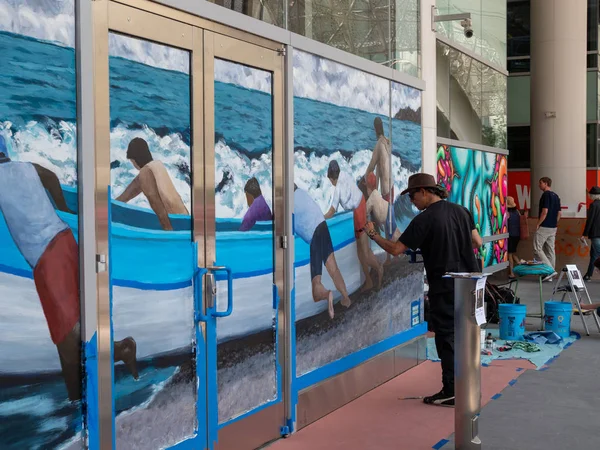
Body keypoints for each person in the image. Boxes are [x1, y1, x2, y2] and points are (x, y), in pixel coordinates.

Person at [0, 136, 138, 402]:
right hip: (64, 240)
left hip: (46, 258)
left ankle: (121, 350)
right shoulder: (27, 167)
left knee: (68, 334)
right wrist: (61, 207)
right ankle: (75, 399)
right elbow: (50, 176)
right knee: (64, 340)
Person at [364, 173, 482, 407]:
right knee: (465, 337)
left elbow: (396, 249)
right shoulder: (461, 211)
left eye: (413, 196)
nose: (412, 203)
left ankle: (451, 390)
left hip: (445, 287)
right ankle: (468, 386)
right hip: (470, 285)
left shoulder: (424, 220)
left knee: (447, 338)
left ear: (425, 192)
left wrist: (373, 234)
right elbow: (477, 242)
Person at [324, 160, 383, 292]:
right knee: (360, 252)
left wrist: (321, 217)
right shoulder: (344, 174)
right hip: (360, 204)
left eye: (330, 180)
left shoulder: (338, 189)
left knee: (364, 252)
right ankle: (368, 281)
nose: (331, 183)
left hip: (358, 211)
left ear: (332, 177)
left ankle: (379, 267)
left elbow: (331, 212)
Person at [294, 184, 351, 319]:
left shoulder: (288, 203)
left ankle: (327, 295)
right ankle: (346, 298)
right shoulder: (302, 193)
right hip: (322, 226)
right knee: (333, 269)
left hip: (314, 234)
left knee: (316, 288)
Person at [116, 137, 189, 231]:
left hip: (175, 224)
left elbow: (157, 205)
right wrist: (112, 205)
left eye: (131, 161)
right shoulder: (156, 165)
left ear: (134, 159)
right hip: (184, 219)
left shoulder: (145, 173)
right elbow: (127, 194)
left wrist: (168, 231)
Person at [365, 172, 401, 265]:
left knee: (392, 237)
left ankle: (402, 252)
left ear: (367, 186)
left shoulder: (372, 196)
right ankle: (390, 257)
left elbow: (365, 211)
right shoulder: (376, 194)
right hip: (388, 209)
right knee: (392, 235)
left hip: (387, 214)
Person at [534, 177, 561, 281]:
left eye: (540, 183)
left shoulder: (546, 195)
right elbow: (559, 213)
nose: (539, 185)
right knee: (550, 250)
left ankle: (549, 271)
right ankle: (549, 275)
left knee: (537, 248)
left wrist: (538, 223)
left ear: (546, 183)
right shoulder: (556, 196)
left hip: (544, 226)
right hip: (553, 227)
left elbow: (544, 211)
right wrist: (555, 223)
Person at [364, 117, 393, 202]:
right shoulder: (387, 142)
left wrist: (365, 181)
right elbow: (380, 166)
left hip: (386, 191)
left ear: (375, 129)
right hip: (391, 187)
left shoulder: (379, 144)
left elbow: (370, 168)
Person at [582, 186, 600, 281]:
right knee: (594, 254)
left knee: (597, 254)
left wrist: (585, 233)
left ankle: (588, 275)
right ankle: (588, 275)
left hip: (595, 233)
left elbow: (590, 220)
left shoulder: (594, 205)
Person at [507, 196, 522, 279]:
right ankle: (520, 265)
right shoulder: (517, 212)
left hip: (511, 235)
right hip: (517, 235)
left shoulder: (507, 213)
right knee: (513, 253)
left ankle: (512, 273)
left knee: (510, 254)